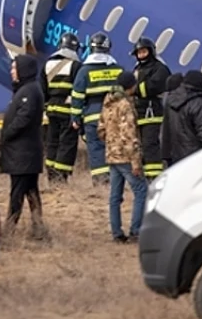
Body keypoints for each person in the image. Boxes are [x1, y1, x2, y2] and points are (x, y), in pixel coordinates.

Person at [0, 53, 48, 240]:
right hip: (22, 154)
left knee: (18, 192)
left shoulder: (30, 91)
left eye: (14, 68)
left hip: (23, 154)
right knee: (30, 191)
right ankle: (38, 227)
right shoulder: (24, 90)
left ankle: (9, 230)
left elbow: (24, 118)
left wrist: (6, 134)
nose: (12, 71)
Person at [97, 72, 147, 243]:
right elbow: (129, 134)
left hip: (112, 155)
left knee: (114, 196)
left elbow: (101, 129)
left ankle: (117, 233)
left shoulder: (108, 101)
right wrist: (135, 161)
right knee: (142, 191)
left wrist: (111, 143)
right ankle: (136, 231)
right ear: (130, 86)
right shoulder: (125, 104)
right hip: (125, 156)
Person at [70, 32, 123, 186]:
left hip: (93, 118)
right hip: (115, 117)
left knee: (96, 150)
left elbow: (77, 96)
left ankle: (101, 182)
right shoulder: (118, 70)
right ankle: (117, 181)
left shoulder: (84, 71)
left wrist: (75, 119)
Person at [40, 31, 82, 184]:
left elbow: (42, 88)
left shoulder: (47, 64)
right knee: (67, 144)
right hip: (68, 111)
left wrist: (46, 106)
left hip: (52, 110)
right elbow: (79, 88)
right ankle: (61, 177)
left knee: (52, 142)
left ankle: (51, 175)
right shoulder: (76, 65)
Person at [129, 37, 171, 181]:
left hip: (152, 112)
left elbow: (154, 86)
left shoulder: (160, 68)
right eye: (139, 53)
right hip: (138, 112)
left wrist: (134, 89)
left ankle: (154, 177)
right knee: (139, 146)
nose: (141, 55)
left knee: (150, 144)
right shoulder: (138, 68)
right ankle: (143, 175)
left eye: (144, 52)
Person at [160, 70, 202, 166]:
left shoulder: (170, 101)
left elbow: (166, 131)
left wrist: (166, 155)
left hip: (176, 157)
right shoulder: (199, 104)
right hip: (197, 158)